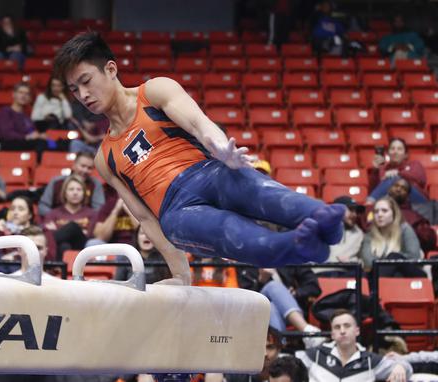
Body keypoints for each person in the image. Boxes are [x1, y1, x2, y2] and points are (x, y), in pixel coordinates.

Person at [53, 32, 345, 284]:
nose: (83, 94)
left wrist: (220, 148)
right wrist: (181, 274)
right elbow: (144, 216)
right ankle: (301, 246)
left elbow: (198, 122)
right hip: (177, 212)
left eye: (86, 81)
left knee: (255, 187)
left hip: (207, 172)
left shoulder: (154, 91)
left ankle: (320, 216)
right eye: (74, 89)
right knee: (230, 233)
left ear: (111, 69)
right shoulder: (105, 158)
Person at [296, 309, 412, 382]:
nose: (342, 331)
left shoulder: (370, 360)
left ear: (357, 331)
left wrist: (401, 366)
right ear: (332, 334)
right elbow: (286, 363)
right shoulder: (315, 355)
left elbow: (407, 368)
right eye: (337, 327)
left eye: (347, 326)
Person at [238, 265, 323, 348]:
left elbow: (314, 287)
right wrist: (261, 281)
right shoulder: (247, 266)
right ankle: (307, 332)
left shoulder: (290, 259)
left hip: (295, 310)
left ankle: (279, 349)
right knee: (271, 294)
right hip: (261, 314)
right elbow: (248, 301)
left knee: (272, 303)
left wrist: (296, 293)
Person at [359, 197, 423, 277]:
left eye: (384, 211)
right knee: (396, 275)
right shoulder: (369, 234)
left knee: (394, 257)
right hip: (386, 275)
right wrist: (389, 263)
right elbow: (368, 261)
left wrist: (390, 260)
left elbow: (414, 256)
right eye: (376, 212)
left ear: (394, 213)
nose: (379, 215)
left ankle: (374, 288)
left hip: (410, 274)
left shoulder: (405, 229)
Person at [43, 175, 97, 260]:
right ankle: (62, 271)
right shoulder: (53, 214)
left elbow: (90, 235)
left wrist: (58, 229)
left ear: (84, 193)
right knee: (64, 246)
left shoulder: (92, 213)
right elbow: (47, 233)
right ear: (65, 192)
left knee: (73, 227)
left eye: (79, 189)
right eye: (71, 189)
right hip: (60, 249)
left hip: (82, 248)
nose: (75, 193)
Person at [38, 151, 105, 216]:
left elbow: (99, 209)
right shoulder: (57, 182)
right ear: (74, 165)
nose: (85, 170)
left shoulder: (95, 184)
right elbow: (42, 207)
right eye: (82, 166)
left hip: (85, 222)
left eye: (89, 168)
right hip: (57, 222)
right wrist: (57, 217)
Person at [316, 196, 365, 276]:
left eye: (356, 211)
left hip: (345, 272)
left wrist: (350, 261)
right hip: (321, 271)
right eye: (350, 210)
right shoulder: (322, 226)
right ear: (337, 210)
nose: (355, 214)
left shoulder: (358, 233)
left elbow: (361, 262)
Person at [369, 138, 428, 204]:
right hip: (393, 203)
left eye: (399, 149)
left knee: (395, 179)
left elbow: (422, 181)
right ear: (388, 153)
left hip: (417, 202)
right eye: (392, 149)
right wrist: (375, 170)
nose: (395, 152)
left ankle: (369, 204)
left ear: (405, 155)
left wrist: (399, 173)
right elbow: (373, 190)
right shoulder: (383, 169)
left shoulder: (414, 164)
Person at [0, 82, 47, 153]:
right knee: (40, 144)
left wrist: (39, 135)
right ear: (13, 94)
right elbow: (6, 134)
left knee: (51, 142)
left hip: (25, 143)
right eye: (20, 92)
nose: (23, 96)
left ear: (29, 98)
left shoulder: (26, 116)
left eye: (27, 94)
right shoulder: (5, 111)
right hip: (9, 144)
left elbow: (32, 131)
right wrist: (26, 137)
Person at [387, 177, 436, 253]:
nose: (398, 189)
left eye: (403, 188)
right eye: (396, 186)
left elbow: (429, 239)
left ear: (407, 195)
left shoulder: (415, 217)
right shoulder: (374, 211)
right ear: (389, 189)